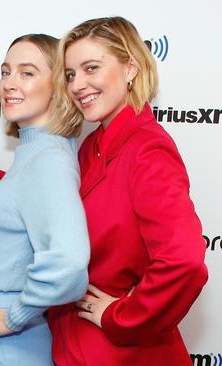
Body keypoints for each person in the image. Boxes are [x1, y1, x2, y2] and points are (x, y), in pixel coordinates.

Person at [47, 16, 208, 365]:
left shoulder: (147, 148)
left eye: (92, 68)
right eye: (71, 74)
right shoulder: (93, 146)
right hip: (77, 345)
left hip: (124, 352)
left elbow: (185, 261)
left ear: (131, 68)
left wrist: (120, 316)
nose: (78, 85)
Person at [0, 34, 90, 365]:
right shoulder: (34, 151)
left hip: (14, 346)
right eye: (5, 71)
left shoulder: (49, 161)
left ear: (58, 85)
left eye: (27, 73)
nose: (9, 83)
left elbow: (70, 263)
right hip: (2, 344)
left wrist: (14, 316)